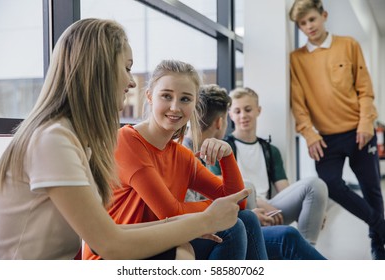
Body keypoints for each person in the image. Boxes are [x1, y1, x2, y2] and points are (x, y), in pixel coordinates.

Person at [0, 18, 250, 260]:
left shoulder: (73, 139)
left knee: (224, 231)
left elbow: (108, 234)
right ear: (100, 70)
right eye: (127, 68)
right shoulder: (53, 140)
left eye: (185, 98)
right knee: (212, 238)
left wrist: (191, 225)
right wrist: (204, 220)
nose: (130, 82)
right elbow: (110, 244)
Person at [83, 59, 269, 260]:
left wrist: (227, 156)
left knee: (246, 218)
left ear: (195, 104)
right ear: (149, 96)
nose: (175, 107)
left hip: (161, 245)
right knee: (232, 228)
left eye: (185, 99)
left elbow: (238, 202)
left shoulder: (181, 156)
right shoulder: (128, 141)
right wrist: (215, 211)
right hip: (119, 254)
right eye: (166, 96)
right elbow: (169, 213)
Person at [289, 0, 385, 259]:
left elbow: (365, 90)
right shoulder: (296, 60)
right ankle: (380, 226)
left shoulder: (348, 45)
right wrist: (308, 133)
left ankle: (378, 244)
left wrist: (366, 123)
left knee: (372, 189)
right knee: (330, 183)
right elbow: (298, 104)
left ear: (324, 15)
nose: (308, 27)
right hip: (325, 138)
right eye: (302, 23)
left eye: (311, 20)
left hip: (359, 131)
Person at [185, 84, 326, 260]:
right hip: (238, 216)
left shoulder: (268, 150)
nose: (243, 116)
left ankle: (305, 249)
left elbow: (284, 189)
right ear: (223, 120)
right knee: (277, 229)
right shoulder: (217, 149)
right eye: (237, 111)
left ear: (258, 111)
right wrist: (253, 210)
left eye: (248, 109)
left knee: (314, 186)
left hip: (259, 209)